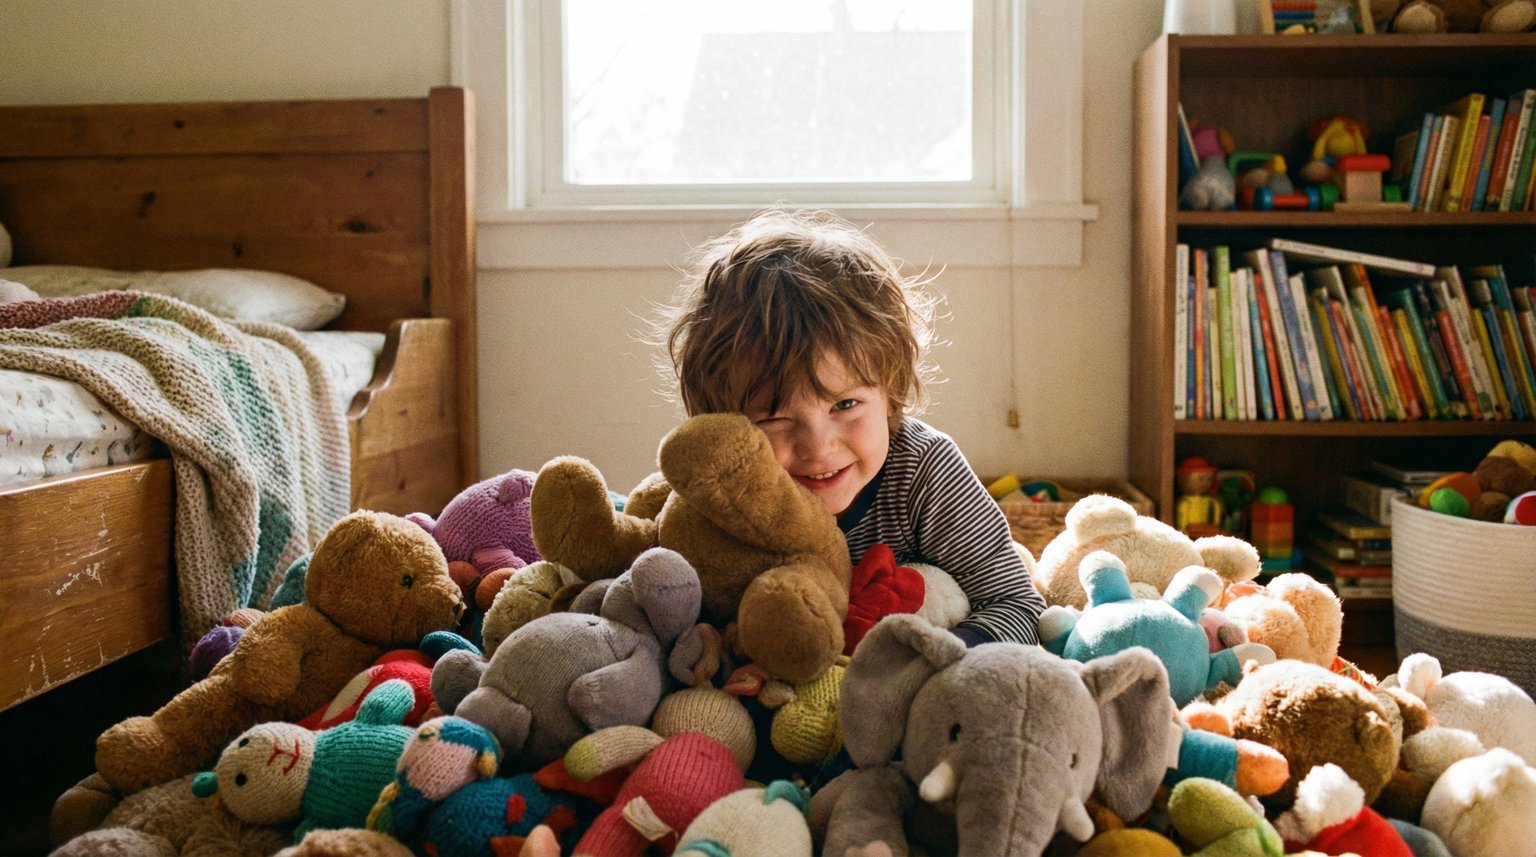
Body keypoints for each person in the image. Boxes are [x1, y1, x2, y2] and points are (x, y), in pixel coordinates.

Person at [652, 208, 1045, 647]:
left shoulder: (923, 469)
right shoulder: (724, 492)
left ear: (891, 393)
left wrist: (934, 667)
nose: (818, 448)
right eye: (775, 418)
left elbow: (1016, 602)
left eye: (846, 404)